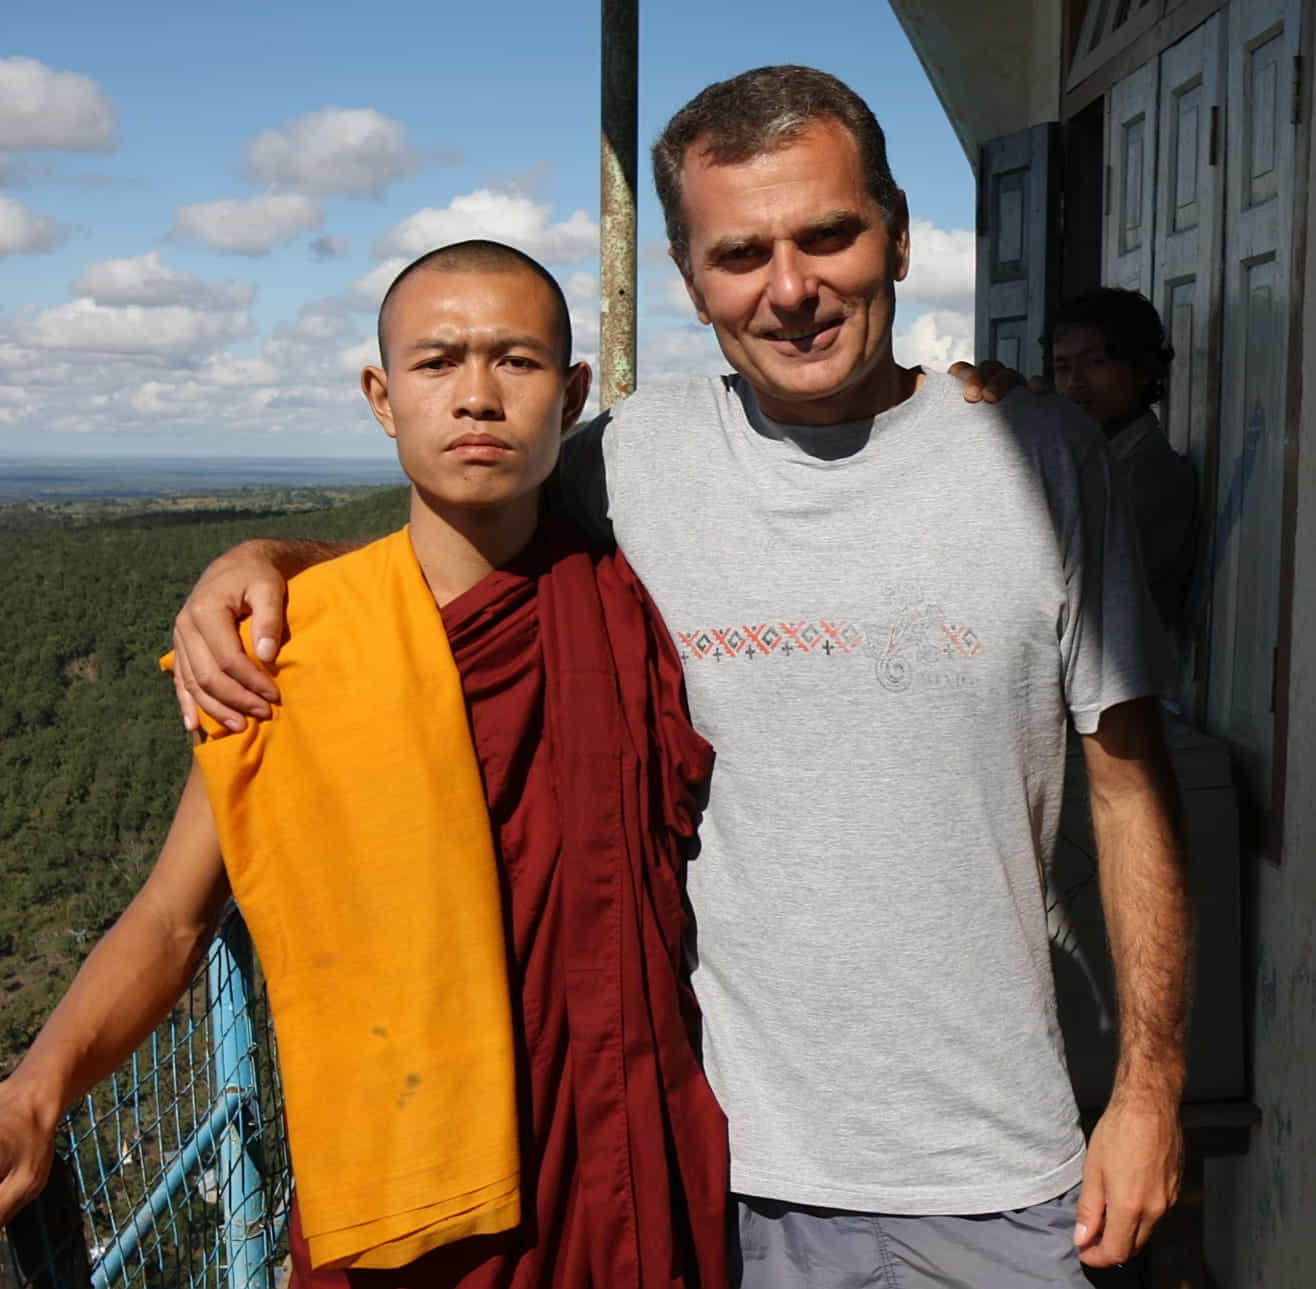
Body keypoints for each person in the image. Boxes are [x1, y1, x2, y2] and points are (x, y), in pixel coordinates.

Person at [173, 67, 1191, 1287]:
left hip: (1000, 1171)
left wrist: (1149, 1091)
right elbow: (453, 541)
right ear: (689, 276)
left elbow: (1131, 790)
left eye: (829, 234)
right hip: (724, 1179)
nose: (792, 288)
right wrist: (267, 561)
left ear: (902, 234)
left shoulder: (1041, 459)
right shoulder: (633, 463)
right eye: (741, 253)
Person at [0, 241, 732, 1289]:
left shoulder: (638, 590)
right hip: (415, 1194)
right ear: (381, 395)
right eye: (437, 361)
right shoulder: (293, 646)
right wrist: (28, 1097)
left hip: (629, 1166)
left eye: (517, 360)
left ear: (573, 390)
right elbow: (173, 916)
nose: (477, 395)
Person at [1051, 288, 1198, 630]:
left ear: (1143, 369)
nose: (1075, 383)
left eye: (1096, 363)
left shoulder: (1149, 474)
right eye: (1063, 367)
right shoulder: (1092, 460)